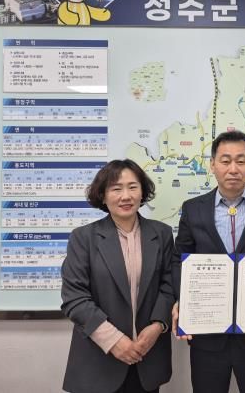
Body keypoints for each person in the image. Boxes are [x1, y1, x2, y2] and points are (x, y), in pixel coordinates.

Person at [171, 130, 245, 393]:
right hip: (207, 333)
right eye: (225, 161)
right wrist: (183, 301)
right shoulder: (193, 208)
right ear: (213, 164)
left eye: (241, 160)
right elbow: (179, 259)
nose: (233, 169)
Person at [61, 159, 175, 393]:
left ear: (142, 192)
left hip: (146, 357)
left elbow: (169, 284)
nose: (126, 196)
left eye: (133, 187)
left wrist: (158, 326)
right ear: (103, 196)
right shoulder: (83, 238)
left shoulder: (161, 234)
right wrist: (114, 341)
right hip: (99, 362)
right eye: (116, 189)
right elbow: (75, 298)